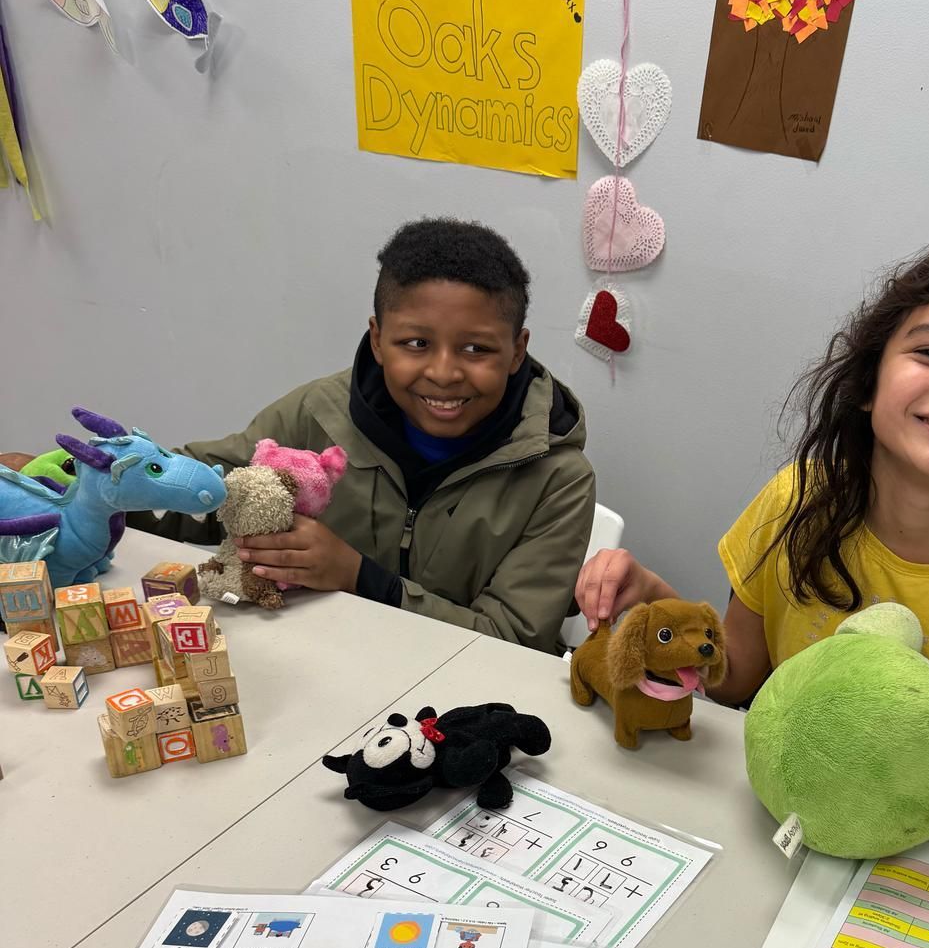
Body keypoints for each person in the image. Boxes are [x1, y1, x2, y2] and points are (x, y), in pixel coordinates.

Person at [576, 242, 929, 806]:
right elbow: (733, 678)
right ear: (866, 383)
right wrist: (653, 602)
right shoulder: (798, 501)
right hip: (786, 807)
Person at [130, 218, 596, 651]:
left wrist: (359, 578)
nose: (444, 372)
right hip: (320, 664)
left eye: (477, 349)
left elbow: (511, 642)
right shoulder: (317, 415)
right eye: (416, 344)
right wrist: (94, 487)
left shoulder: (558, 479)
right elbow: (208, 490)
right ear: (377, 339)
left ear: (517, 352)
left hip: (461, 701)